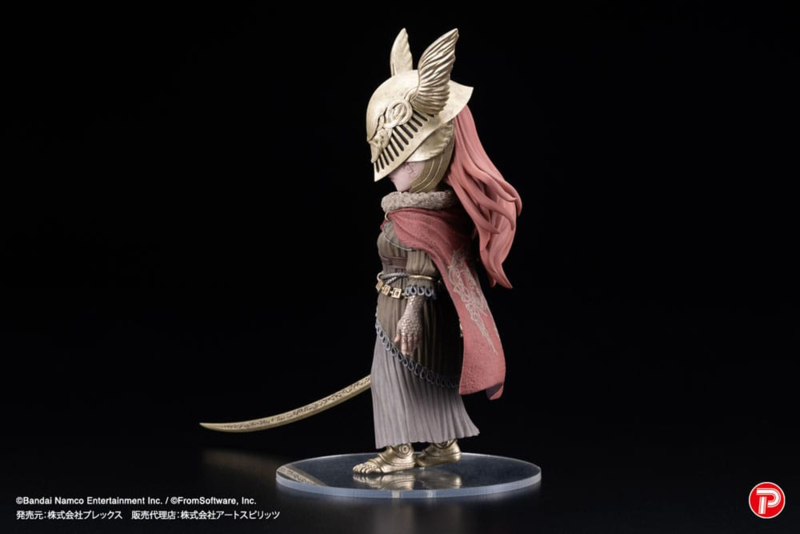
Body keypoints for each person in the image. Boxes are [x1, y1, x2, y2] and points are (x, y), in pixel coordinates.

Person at [353, 28, 522, 474]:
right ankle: (444, 444)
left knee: (395, 378)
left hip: (411, 311)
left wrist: (410, 313)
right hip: (409, 308)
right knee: (430, 378)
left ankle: (399, 451)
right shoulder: (417, 210)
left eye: (405, 162)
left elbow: (423, 264)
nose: (394, 174)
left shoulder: (427, 216)